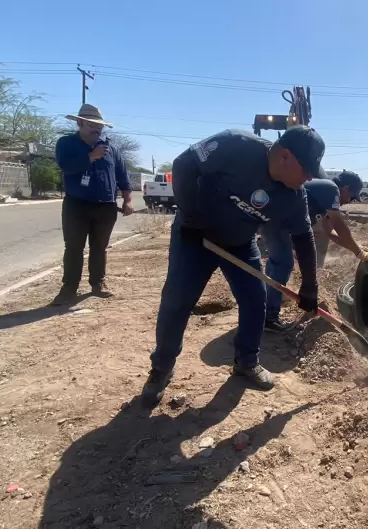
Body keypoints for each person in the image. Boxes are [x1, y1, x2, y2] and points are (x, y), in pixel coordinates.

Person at [140, 125, 327, 407]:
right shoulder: (236, 145)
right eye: (307, 169)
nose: (310, 177)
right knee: (177, 301)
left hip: (239, 244)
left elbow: (303, 236)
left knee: (255, 301)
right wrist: (191, 218)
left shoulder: (294, 195)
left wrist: (310, 284)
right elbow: (183, 165)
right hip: (195, 235)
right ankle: (161, 369)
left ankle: (246, 362)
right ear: (286, 156)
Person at [261, 170, 368, 332]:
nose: (349, 201)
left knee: (279, 262)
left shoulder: (325, 198)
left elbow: (331, 233)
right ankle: (268, 317)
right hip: (276, 217)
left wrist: (357, 248)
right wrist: (359, 253)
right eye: (352, 196)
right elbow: (340, 225)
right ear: (346, 188)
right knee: (283, 263)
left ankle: (265, 304)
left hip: (278, 219)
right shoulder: (331, 189)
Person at [52, 104, 133, 306]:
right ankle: (69, 289)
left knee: (99, 248)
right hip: (76, 206)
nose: (96, 129)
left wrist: (128, 199)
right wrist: (90, 157)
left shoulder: (111, 148)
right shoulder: (66, 143)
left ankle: (98, 284)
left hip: (106, 206)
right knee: (73, 248)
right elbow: (65, 166)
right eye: (91, 124)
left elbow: (122, 175)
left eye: (99, 125)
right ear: (79, 123)